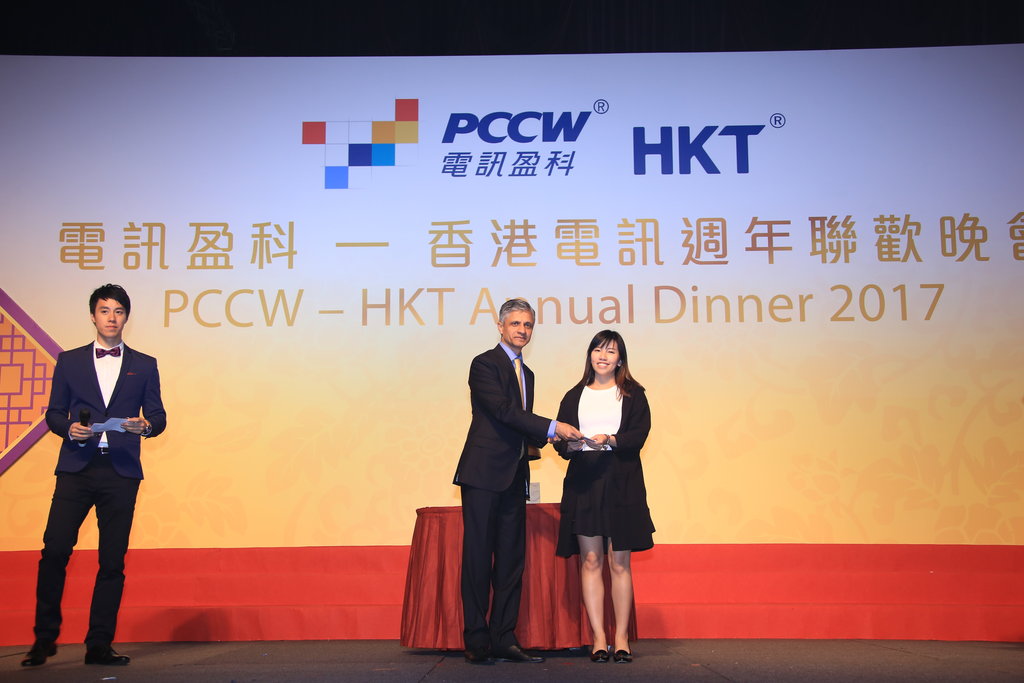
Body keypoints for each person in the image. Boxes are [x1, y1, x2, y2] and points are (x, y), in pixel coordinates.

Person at [22, 284, 167, 668]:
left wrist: (145, 426)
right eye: (105, 310)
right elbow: (54, 412)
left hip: (120, 471)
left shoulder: (144, 364)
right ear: (92, 315)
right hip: (76, 469)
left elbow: (158, 416)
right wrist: (68, 428)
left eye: (118, 311)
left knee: (112, 560)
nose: (111, 318)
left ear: (126, 317)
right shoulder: (69, 361)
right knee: (54, 550)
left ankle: (99, 644)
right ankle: (44, 639)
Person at [452, 298, 583, 665]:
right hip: (482, 474)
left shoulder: (529, 374)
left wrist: (561, 441)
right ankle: (477, 639)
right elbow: (503, 411)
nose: (522, 330)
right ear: (500, 326)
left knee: (511, 561)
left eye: (528, 325)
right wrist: (554, 427)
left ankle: (504, 638)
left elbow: (520, 426)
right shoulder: (484, 364)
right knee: (478, 558)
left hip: (514, 475)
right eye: (515, 324)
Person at [553, 330, 654, 664]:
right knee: (591, 560)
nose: (603, 356)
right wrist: (569, 443)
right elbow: (562, 444)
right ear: (590, 355)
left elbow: (638, 436)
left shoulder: (633, 394)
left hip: (622, 482)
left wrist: (610, 439)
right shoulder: (574, 395)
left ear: (620, 359)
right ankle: (598, 637)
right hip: (584, 482)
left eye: (610, 351)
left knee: (619, 562)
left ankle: (621, 638)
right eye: (597, 349)